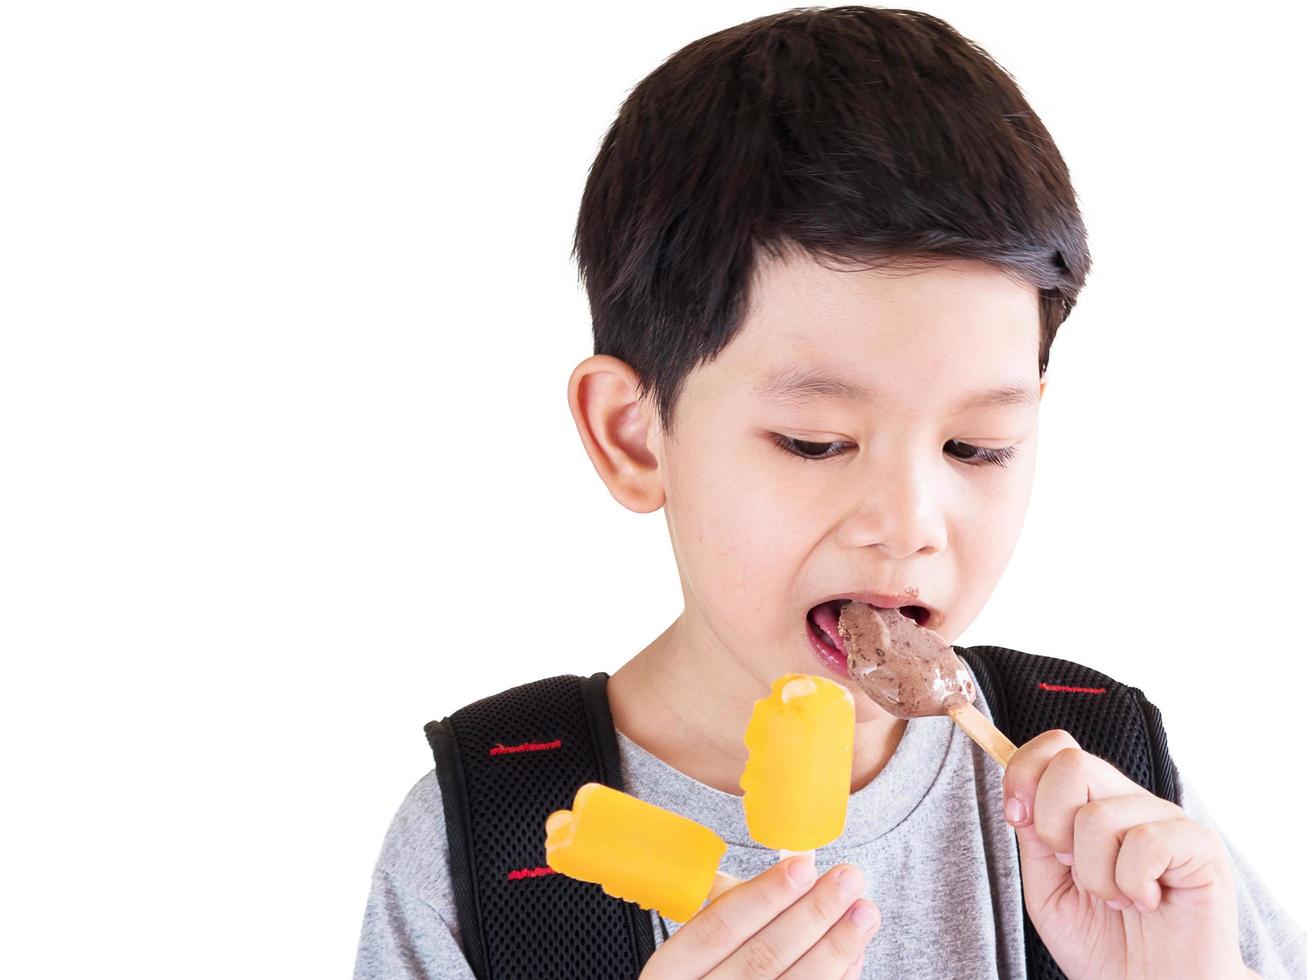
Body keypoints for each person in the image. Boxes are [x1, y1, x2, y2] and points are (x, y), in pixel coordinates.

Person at [352, 6, 1305, 977]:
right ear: (632, 434)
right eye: (817, 441)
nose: (906, 525)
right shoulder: (488, 843)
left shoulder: (1116, 797)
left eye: (977, 445)